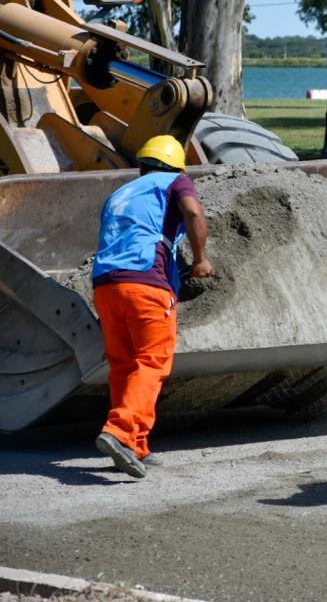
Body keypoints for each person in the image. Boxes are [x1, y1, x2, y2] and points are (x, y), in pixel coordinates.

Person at [91, 135, 213, 478]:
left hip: (105, 285)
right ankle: (119, 430)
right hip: (146, 282)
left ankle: (135, 445)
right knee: (152, 360)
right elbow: (192, 210)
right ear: (176, 166)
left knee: (123, 365)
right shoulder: (176, 181)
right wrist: (200, 259)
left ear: (142, 165)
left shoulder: (119, 194)